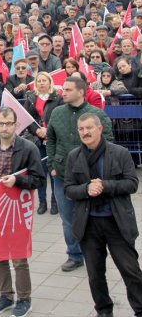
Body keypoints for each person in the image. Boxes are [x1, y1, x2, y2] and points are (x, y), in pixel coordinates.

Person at [65, 113, 142, 317]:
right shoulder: (74, 156)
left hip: (117, 222)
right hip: (89, 224)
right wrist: (86, 189)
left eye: (89, 128)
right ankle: (104, 311)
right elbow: (68, 189)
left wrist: (105, 186)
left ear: (100, 129)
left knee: (130, 270)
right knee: (95, 274)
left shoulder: (120, 152)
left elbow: (132, 183)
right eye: (81, 129)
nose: (85, 132)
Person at [0, 107, 44, 317]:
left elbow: (39, 180)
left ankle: (24, 299)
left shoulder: (28, 147)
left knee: (18, 255)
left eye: (9, 123)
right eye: (1, 123)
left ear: (17, 125)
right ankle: (6, 295)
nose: (5, 127)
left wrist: (18, 180)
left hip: (17, 206)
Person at [46, 76, 113, 273]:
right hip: (62, 175)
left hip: (91, 177)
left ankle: (94, 253)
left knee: (92, 217)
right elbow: (50, 139)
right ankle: (74, 255)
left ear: (81, 92)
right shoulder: (57, 112)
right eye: (63, 89)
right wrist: (52, 163)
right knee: (68, 217)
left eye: (67, 89)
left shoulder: (96, 115)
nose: (62, 92)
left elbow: (109, 141)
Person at [22, 71, 62, 216]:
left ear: (50, 82)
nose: (41, 83)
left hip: (53, 139)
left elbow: (60, 117)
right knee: (40, 172)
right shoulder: (31, 98)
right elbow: (27, 118)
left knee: (53, 172)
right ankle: (42, 202)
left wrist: (48, 130)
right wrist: (37, 131)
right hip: (37, 140)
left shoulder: (58, 98)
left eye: (44, 80)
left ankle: (55, 202)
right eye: (39, 81)